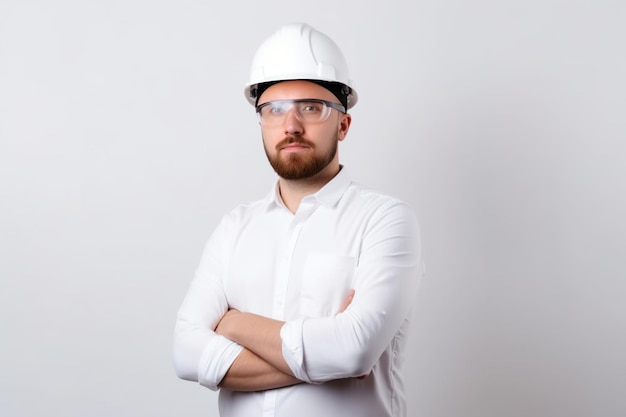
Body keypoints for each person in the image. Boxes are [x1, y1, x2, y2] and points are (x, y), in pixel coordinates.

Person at [173, 22, 423, 417]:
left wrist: (235, 325)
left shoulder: (385, 220)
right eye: (274, 109)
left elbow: (353, 350)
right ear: (261, 122)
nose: (291, 125)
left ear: (343, 123)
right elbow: (185, 353)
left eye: (311, 107)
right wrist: (326, 359)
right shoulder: (234, 228)